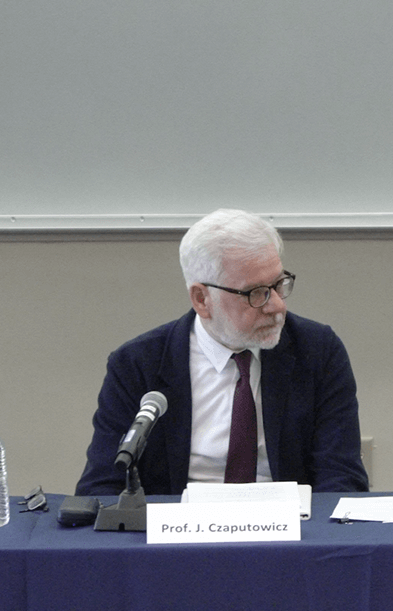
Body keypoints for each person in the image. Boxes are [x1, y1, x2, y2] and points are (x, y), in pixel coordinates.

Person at [77, 209, 368, 496]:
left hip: (288, 533)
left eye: (279, 284)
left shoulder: (317, 351)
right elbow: (102, 488)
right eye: (255, 292)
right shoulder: (138, 365)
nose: (277, 305)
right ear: (202, 299)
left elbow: (341, 479)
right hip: (177, 536)